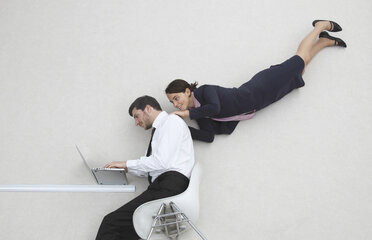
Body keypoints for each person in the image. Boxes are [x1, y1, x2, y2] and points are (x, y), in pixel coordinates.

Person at [165, 20, 347, 142]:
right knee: (300, 70)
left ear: (187, 91)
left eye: (175, 97)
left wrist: (187, 115)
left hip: (261, 86)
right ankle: (323, 42)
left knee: (299, 59)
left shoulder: (204, 91)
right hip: (263, 101)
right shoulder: (198, 112)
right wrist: (180, 128)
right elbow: (208, 136)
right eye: (172, 101)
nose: (175, 103)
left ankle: (319, 26)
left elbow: (215, 108)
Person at [95, 95, 195, 240]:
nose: (136, 122)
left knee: (110, 222)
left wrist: (126, 163)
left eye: (137, 116)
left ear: (148, 108)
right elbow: (153, 166)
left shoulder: (171, 122)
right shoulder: (160, 129)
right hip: (165, 185)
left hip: (169, 186)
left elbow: (161, 162)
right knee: (128, 232)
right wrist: (125, 169)